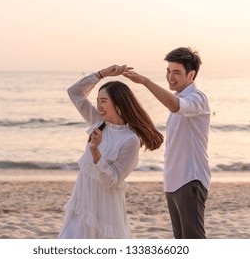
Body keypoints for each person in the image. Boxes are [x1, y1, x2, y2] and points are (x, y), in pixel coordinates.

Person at [58, 65, 163, 239]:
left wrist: (95, 151)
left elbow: (111, 180)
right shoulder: (97, 121)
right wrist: (101, 74)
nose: (99, 105)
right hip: (83, 200)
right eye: (98, 100)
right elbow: (74, 92)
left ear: (119, 104)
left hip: (106, 207)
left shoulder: (130, 140)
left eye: (104, 101)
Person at [123, 47, 211, 239]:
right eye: (168, 71)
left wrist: (145, 81)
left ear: (192, 74)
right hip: (173, 181)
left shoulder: (197, 98)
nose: (170, 77)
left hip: (190, 179)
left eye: (177, 72)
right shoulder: (179, 97)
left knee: (193, 239)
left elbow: (176, 107)